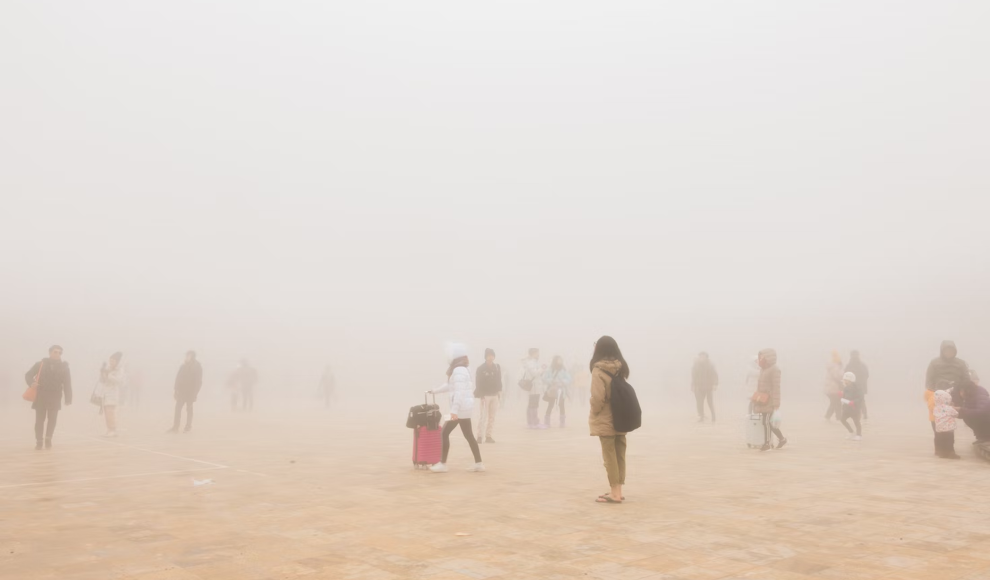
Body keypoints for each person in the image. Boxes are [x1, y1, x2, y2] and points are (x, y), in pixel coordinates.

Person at [428, 344, 484, 473]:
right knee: (469, 435)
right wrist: (434, 391)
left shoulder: (458, 370)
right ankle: (479, 463)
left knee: (444, 432)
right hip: (464, 408)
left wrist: (454, 411)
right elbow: (450, 386)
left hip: (460, 409)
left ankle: (442, 464)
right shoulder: (463, 368)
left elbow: (459, 392)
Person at [589, 336, 630, 504]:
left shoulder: (598, 370)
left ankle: (615, 494)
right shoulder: (621, 368)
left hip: (606, 418)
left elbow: (598, 398)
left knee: (609, 456)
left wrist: (594, 411)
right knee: (620, 454)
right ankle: (618, 490)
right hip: (621, 417)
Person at [24, 345, 72, 450]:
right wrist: (31, 383)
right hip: (41, 395)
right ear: (50, 352)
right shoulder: (40, 364)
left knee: (52, 419)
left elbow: (67, 383)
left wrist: (68, 398)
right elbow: (28, 375)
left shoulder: (64, 367)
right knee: (39, 420)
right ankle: (39, 441)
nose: (57, 354)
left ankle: (48, 439)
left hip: (55, 396)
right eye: (55, 352)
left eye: (60, 353)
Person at [754, 348, 786, 451]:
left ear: (769, 357)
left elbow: (776, 387)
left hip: (770, 400)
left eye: (762, 357)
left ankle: (767, 443)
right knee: (768, 422)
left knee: (766, 422)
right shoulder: (763, 369)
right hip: (762, 400)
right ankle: (782, 439)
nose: (760, 359)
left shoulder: (775, 369)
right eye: (760, 357)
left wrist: (776, 403)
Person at [926, 341, 970, 405]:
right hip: (939, 393)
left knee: (957, 413)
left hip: (957, 393)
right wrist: (935, 392)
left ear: (955, 351)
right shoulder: (934, 363)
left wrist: (962, 389)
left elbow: (966, 378)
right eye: (946, 350)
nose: (949, 352)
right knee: (938, 414)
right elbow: (929, 380)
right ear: (942, 351)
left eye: (951, 350)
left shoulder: (961, 363)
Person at [168, 351, 202, 434]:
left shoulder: (197, 367)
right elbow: (178, 378)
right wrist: (176, 390)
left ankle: (188, 426)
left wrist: (195, 393)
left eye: (189, 355)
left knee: (189, 408)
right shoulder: (183, 366)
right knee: (177, 408)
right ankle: (175, 426)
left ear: (192, 356)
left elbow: (198, 381)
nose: (187, 357)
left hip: (191, 392)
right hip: (182, 391)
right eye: (186, 355)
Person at [474, 348, 502, 443]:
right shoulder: (480, 369)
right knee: (483, 416)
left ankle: (488, 436)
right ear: (485, 357)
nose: (490, 357)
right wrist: (481, 395)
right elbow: (478, 383)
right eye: (488, 355)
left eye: (492, 355)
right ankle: (479, 436)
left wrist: (499, 392)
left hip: (495, 395)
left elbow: (499, 380)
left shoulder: (497, 367)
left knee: (492, 416)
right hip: (485, 396)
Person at [96, 352, 125, 437]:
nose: (111, 362)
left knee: (110, 411)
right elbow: (102, 381)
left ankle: (113, 429)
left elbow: (119, 381)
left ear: (117, 362)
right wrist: (102, 374)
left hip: (113, 393)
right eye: (110, 360)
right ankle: (109, 429)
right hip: (105, 393)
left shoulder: (119, 370)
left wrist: (108, 375)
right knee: (106, 412)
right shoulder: (108, 368)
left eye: (113, 361)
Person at [542, 355, 572, 428]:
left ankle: (562, 422)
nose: (560, 361)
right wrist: (552, 381)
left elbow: (569, 379)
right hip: (552, 390)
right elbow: (544, 378)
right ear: (555, 360)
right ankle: (547, 422)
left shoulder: (564, 369)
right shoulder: (550, 369)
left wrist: (562, 382)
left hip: (561, 390)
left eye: (561, 360)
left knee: (562, 406)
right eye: (559, 360)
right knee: (551, 405)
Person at [521, 348, 547, 429]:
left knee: (531, 405)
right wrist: (542, 369)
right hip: (534, 387)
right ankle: (535, 423)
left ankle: (531, 423)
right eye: (537, 353)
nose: (538, 355)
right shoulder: (531, 363)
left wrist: (541, 370)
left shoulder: (533, 362)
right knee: (534, 405)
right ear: (533, 354)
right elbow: (535, 373)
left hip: (535, 386)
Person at [691, 352, 718, 423]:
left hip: (708, 387)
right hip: (699, 387)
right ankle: (701, 417)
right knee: (699, 402)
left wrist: (715, 384)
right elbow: (694, 377)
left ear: (706, 357)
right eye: (700, 356)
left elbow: (715, 375)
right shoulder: (696, 366)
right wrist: (693, 385)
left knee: (710, 402)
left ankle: (713, 416)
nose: (702, 358)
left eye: (703, 356)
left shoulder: (710, 365)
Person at [933, 389, 960, 459]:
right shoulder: (949, 408)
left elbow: (935, 415)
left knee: (942, 441)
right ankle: (951, 453)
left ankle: (942, 453)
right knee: (950, 441)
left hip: (940, 428)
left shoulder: (936, 408)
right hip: (949, 429)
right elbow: (956, 414)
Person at [845, 350, 870, 420]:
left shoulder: (861, 365)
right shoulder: (849, 365)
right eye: (853, 355)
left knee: (861, 401)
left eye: (855, 355)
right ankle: (859, 416)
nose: (854, 356)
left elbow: (866, 375)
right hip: (853, 387)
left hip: (859, 386)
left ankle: (864, 415)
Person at [839, 372, 864, 440]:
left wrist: (854, 402)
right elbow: (844, 397)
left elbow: (861, 398)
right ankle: (851, 432)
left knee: (856, 422)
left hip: (855, 408)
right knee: (842, 419)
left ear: (850, 380)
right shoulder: (845, 388)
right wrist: (841, 396)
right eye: (844, 380)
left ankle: (859, 435)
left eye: (846, 380)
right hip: (847, 408)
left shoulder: (857, 388)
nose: (844, 381)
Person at [823, 350, 844, 421]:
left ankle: (828, 417)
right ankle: (838, 418)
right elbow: (838, 376)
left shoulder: (831, 367)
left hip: (829, 388)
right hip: (834, 388)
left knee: (834, 402)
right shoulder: (835, 367)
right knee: (837, 403)